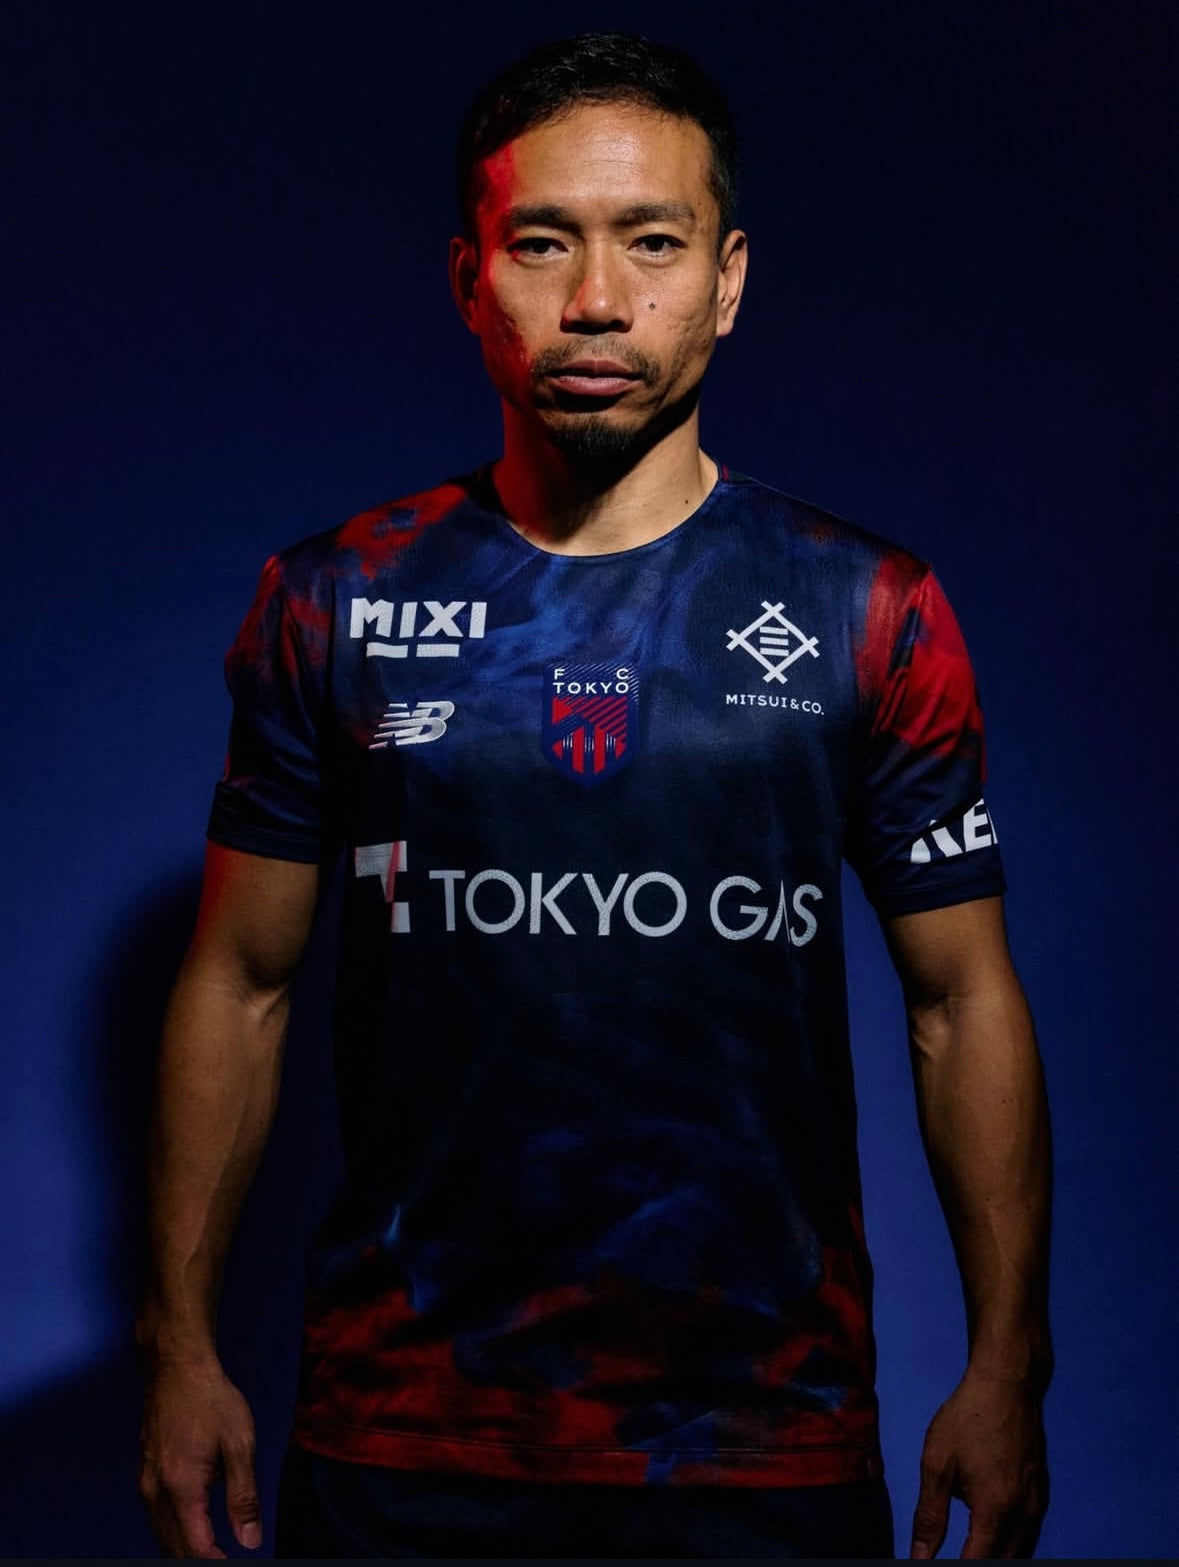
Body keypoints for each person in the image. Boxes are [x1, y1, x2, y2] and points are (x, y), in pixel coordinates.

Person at [136, 31, 1052, 1561]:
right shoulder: (338, 599)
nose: (600, 300)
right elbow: (240, 980)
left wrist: (1009, 1366)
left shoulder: (867, 607)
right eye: (543, 241)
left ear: (729, 279)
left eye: (654, 242)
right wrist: (176, 1349)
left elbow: (962, 1000)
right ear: (468, 277)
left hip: (761, 1437)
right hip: (406, 1433)